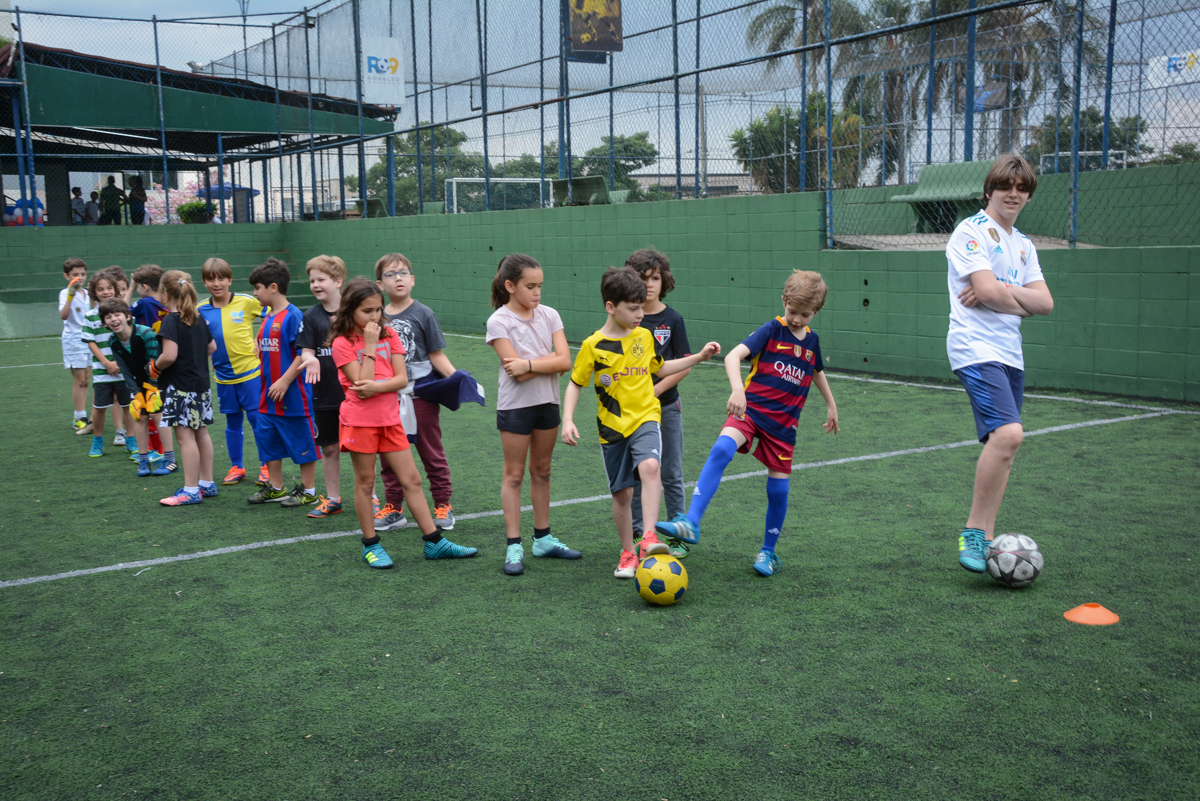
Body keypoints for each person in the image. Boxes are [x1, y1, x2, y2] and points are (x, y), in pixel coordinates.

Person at [656, 270, 839, 577]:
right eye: (792, 311)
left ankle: (768, 552)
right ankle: (690, 522)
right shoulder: (772, 330)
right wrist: (738, 390)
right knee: (721, 449)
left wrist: (831, 404)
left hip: (783, 427)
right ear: (784, 302)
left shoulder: (812, 342)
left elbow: (816, 370)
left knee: (778, 490)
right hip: (750, 412)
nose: (796, 319)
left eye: (804, 315)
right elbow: (733, 357)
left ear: (816, 312)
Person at [562, 266, 721, 579]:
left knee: (651, 468)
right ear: (611, 307)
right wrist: (567, 419)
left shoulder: (644, 337)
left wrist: (699, 357)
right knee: (622, 495)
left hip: (647, 416)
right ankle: (628, 551)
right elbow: (575, 383)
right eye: (633, 309)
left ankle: (649, 536)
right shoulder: (593, 345)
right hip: (611, 428)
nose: (639, 314)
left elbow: (662, 369)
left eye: (641, 308)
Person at [945, 153, 1054, 573]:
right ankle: (974, 531)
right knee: (1009, 435)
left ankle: (986, 538)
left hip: (1010, 353)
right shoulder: (971, 232)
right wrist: (1011, 298)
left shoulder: (1023, 245)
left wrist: (1003, 292)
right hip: (976, 347)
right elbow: (986, 294)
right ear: (989, 190)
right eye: (1006, 187)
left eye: (1022, 189)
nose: (1014, 194)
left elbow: (1044, 303)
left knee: (1002, 445)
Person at [329, 278, 478, 568]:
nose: (374, 317)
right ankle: (371, 546)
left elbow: (400, 379)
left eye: (378, 309)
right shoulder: (341, 344)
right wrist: (370, 347)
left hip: (390, 419)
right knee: (365, 482)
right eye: (367, 311)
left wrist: (376, 386)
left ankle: (434, 543)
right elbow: (361, 380)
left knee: (412, 479)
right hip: (360, 422)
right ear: (350, 311)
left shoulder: (390, 335)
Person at [485, 254, 578, 576]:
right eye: (530, 286)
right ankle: (514, 544)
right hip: (514, 407)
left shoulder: (550, 315)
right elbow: (517, 374)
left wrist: (529, 363)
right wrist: (544, 361)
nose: (537, 292)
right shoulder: (498, 321)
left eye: (540, 286)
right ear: (510, 286)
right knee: (513, 475)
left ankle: (543, 539)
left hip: (547, 404)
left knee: (543, 470)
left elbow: (566, 362)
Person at [376, 253, 461, 532]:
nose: (397, 278)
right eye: (390, 274)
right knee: (390, 455)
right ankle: (394, 507)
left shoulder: (424, 313)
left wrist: (457, 378)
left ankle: (442, 503)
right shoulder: (376, 316)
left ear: (413, 279)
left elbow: (436, 355)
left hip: (421, 396)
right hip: (388, 397)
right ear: (380, 284)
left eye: (403, 272)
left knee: (430, 452)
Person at [625, 249, 693, 559]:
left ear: (663, 281)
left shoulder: (672, 319)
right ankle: (641, 532)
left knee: (671, 472)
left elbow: (683, 364)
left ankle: (678, 531)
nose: (649, 285)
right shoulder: (626, 319)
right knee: (640, 472)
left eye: (655, 278)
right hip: (632, 412)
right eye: (643, 278)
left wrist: (654, 392)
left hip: (666, 408)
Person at [246, 258, 320, 508]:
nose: (255, 293)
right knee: (268, 442)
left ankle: (309, 490)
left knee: (302, 443)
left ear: (273, 287)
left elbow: (302, 352)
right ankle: (276, 487)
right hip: (267, 397)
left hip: (292, 397)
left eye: (257, 288)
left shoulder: (293, 315)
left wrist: (285, 381)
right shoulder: (267, 315)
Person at [199, 257, 268, 486]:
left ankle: (266, 465)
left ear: (230, 280)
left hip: (250, 373)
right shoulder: (200, 309)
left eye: (221, 278)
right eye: (210, 279)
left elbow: (273, 313)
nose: (216, 283)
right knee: (232, 423)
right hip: (223, 377)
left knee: (257, 420)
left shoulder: (246, 302)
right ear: (204, 282)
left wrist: (261, 338)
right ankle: (237, 466)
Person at [151, 271, 217, 506]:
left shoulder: (171, 320)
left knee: (185, 437)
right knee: (202, 434)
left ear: (165, 295)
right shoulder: (197, 319)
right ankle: (206, 484)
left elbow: (169, 356)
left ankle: (190, 490)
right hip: (201, 386)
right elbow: (212, 346)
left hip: (179, 388)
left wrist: (154, 367)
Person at [296, 254, 347, 518]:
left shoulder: (353, 311)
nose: (315, 284)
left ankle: (371, 497)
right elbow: (305, 350)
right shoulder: (311, 316)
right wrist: (311, 358)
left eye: (321, 279)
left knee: (362, 449)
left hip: (353, 395)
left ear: (338, 281)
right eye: (312, 280)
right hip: (324, 395)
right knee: (329, 448)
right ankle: (333, 498)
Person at [102, 298, 172, 478]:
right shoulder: (113, 341)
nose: (114, 319)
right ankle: (143, 460)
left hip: (158, 380)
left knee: (157, 414)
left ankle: (170, 459)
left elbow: (154, 362)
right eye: (108, 317)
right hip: (139, 383)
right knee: (139, 416)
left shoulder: (145, 333)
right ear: (104, 322)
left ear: (127, 316)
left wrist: (151, 389)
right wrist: (136, 393)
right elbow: (124, 370)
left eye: (117, 314)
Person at [80, 268, 137, 458]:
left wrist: (124, 362)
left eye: (109, 288)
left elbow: (130, 338)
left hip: (124, 371)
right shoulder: (90, 316)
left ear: (115, 289)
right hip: (102, 371)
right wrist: (106, 363)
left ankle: (131, 440)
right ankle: (97, 441)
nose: (105, 292)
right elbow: (90, 342)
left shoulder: (123, 313)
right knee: (99, 408)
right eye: (101, 289)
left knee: (128, 406)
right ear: (94, 293)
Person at [59, 258, 93, 433]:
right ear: (67, 276)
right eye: (75, 275)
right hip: (74, 340)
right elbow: (64, 316)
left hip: (89, 340)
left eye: (82, 274)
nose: (79, 278)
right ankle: (78, 417)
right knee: (79, 380)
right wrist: (71, 295)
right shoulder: (65, 294)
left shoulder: (87, 293)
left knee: (87, 379)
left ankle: (83, 415)